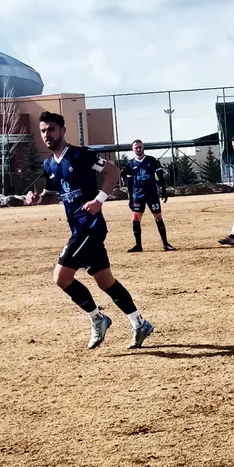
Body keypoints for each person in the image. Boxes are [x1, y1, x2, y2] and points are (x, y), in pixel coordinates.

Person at [25, 111, 154, 350]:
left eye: (51, 129)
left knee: (61, 277)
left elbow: (113, 171)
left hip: (90, 227)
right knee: (105, 282)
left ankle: (97, 318)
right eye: (43, 131)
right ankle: (140, 323)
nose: (47, 134)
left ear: (62, 131)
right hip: (78, 227)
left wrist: (99, 200)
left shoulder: (80, 155)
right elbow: (52, 193)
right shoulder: (48, 164)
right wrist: (37, 199)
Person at [121, 139, 175, 253]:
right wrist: (130, 198)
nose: (138, 149)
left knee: (158, 217)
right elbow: (129, 183)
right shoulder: (130, 164)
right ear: (132, 149)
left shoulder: (151, 160)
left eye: (140, 147)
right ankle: (138, 245)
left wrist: (163, 190)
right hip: (138, 196)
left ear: (143, 147)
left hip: (152, 195)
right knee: (136, 219)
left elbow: (160, 176)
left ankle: (165, 244)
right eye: (136, 147)